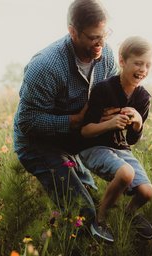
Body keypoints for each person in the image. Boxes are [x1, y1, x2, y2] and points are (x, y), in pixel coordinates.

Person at [13, 0, 118, 223]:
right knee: (83, 211)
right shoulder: (46, 66)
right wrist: (76, 120)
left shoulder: (106, 55)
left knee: (93, 198)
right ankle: (70, 251)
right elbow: (28, 121)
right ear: (73, 32)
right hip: (36, 143)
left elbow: (112, 91)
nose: (101, 43)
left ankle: (92, 244)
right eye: (93, 37)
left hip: (71, 139)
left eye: (104, 34)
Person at [79, 36, 152, 242]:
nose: (143, 69)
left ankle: (128, 214)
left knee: (147, 192)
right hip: (93, 147)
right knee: (125, 173)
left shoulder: (143, 98)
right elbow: (85, 131)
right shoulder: (104, 90)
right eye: (138, 63)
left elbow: (130, 140)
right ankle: (100, 221)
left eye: (148, 65)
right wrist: (109, 124)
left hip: (121, 149)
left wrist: (138, 122)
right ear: (122, 61)